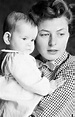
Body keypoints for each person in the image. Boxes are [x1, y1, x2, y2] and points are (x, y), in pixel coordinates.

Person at [0, 11, 64, 117]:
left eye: (32, 40)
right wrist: (48, 87)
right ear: (8, 38)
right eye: (24, 39)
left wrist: (36, 64)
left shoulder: (7, 56)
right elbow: (31, 81)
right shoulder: (17, 58)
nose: (30, 45)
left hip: (7, 107)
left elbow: (24, 69)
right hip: (17, 109)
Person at [28, 0, 75, 116]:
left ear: (68, 35)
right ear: (33, 35)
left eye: (61, 34)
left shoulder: (72, 71)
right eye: (44, 34)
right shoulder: (24, 64)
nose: (53, 42)